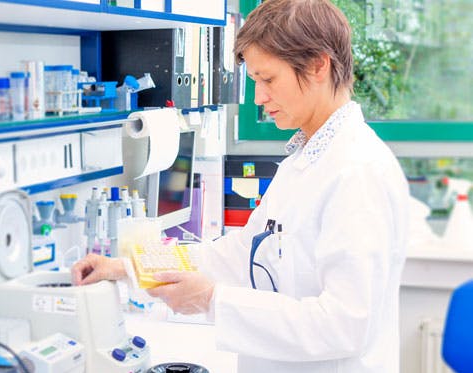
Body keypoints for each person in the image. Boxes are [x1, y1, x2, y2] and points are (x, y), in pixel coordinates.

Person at [71, 0, 409, 371]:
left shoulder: (357, 171)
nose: (260, 98)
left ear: (318, 65)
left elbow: (345, 325)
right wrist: (127, 267)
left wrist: (213, 301)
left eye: (268, 79)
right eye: (255, 82)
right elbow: (236, 253)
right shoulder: (304, 160)